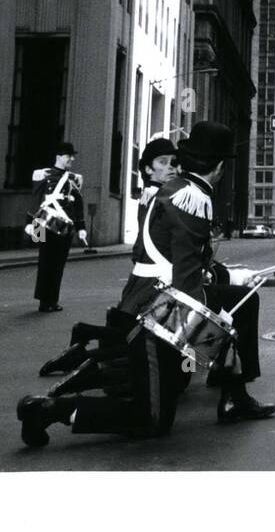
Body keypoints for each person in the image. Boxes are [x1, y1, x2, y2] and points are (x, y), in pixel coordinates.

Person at [17, 121, 275, 446]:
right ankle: (47, 410)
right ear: (221, 167)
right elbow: (186, 283)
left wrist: (227, 286)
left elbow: (183, 261)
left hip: (152, 303)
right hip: (155, 316)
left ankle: (234, 395)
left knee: (243, 300)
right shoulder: (194, 198)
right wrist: (218, 334)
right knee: (151, 419)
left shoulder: (179, 189)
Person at [38, 138, 177, 377]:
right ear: (147, 169)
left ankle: (84, 335)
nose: (172, 167)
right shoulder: (159, 197)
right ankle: (83, 354)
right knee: (147, 347)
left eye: (174, 162)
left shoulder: (154, 194)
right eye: (163, 162)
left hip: (144, 276)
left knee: (138, 340)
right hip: (152, 278)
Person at [28, 142, 89, 313]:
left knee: (59, 265)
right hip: (46, 225)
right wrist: (31, 226)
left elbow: (78, 204)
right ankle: (43, 301)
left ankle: (52, 300)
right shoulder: (43, 175)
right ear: (59, 157)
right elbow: (36, 200)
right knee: (45, 262)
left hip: (65, 228)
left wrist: (81, 227)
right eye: (68, 155)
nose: (72, 159)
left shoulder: (74, 179)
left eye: (72, 155)